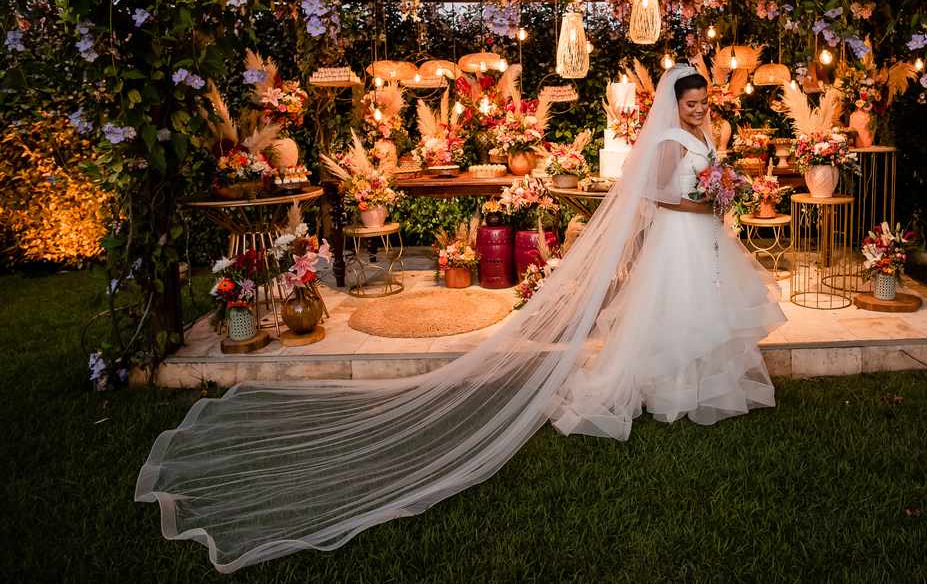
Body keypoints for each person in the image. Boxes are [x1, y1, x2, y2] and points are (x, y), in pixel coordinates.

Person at [135, 65, 787, 572]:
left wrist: (720, 190)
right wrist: (705, 202)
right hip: (681, 235)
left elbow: (702, 182)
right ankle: (671, 387)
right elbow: (656, 194)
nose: (699, 110)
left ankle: (698, 386)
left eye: (703, 103)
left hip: (702, 238)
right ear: (674, 104)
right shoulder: (669, 140)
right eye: (691, 103)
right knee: (674, 311)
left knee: (701, 312)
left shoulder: (706, 135)